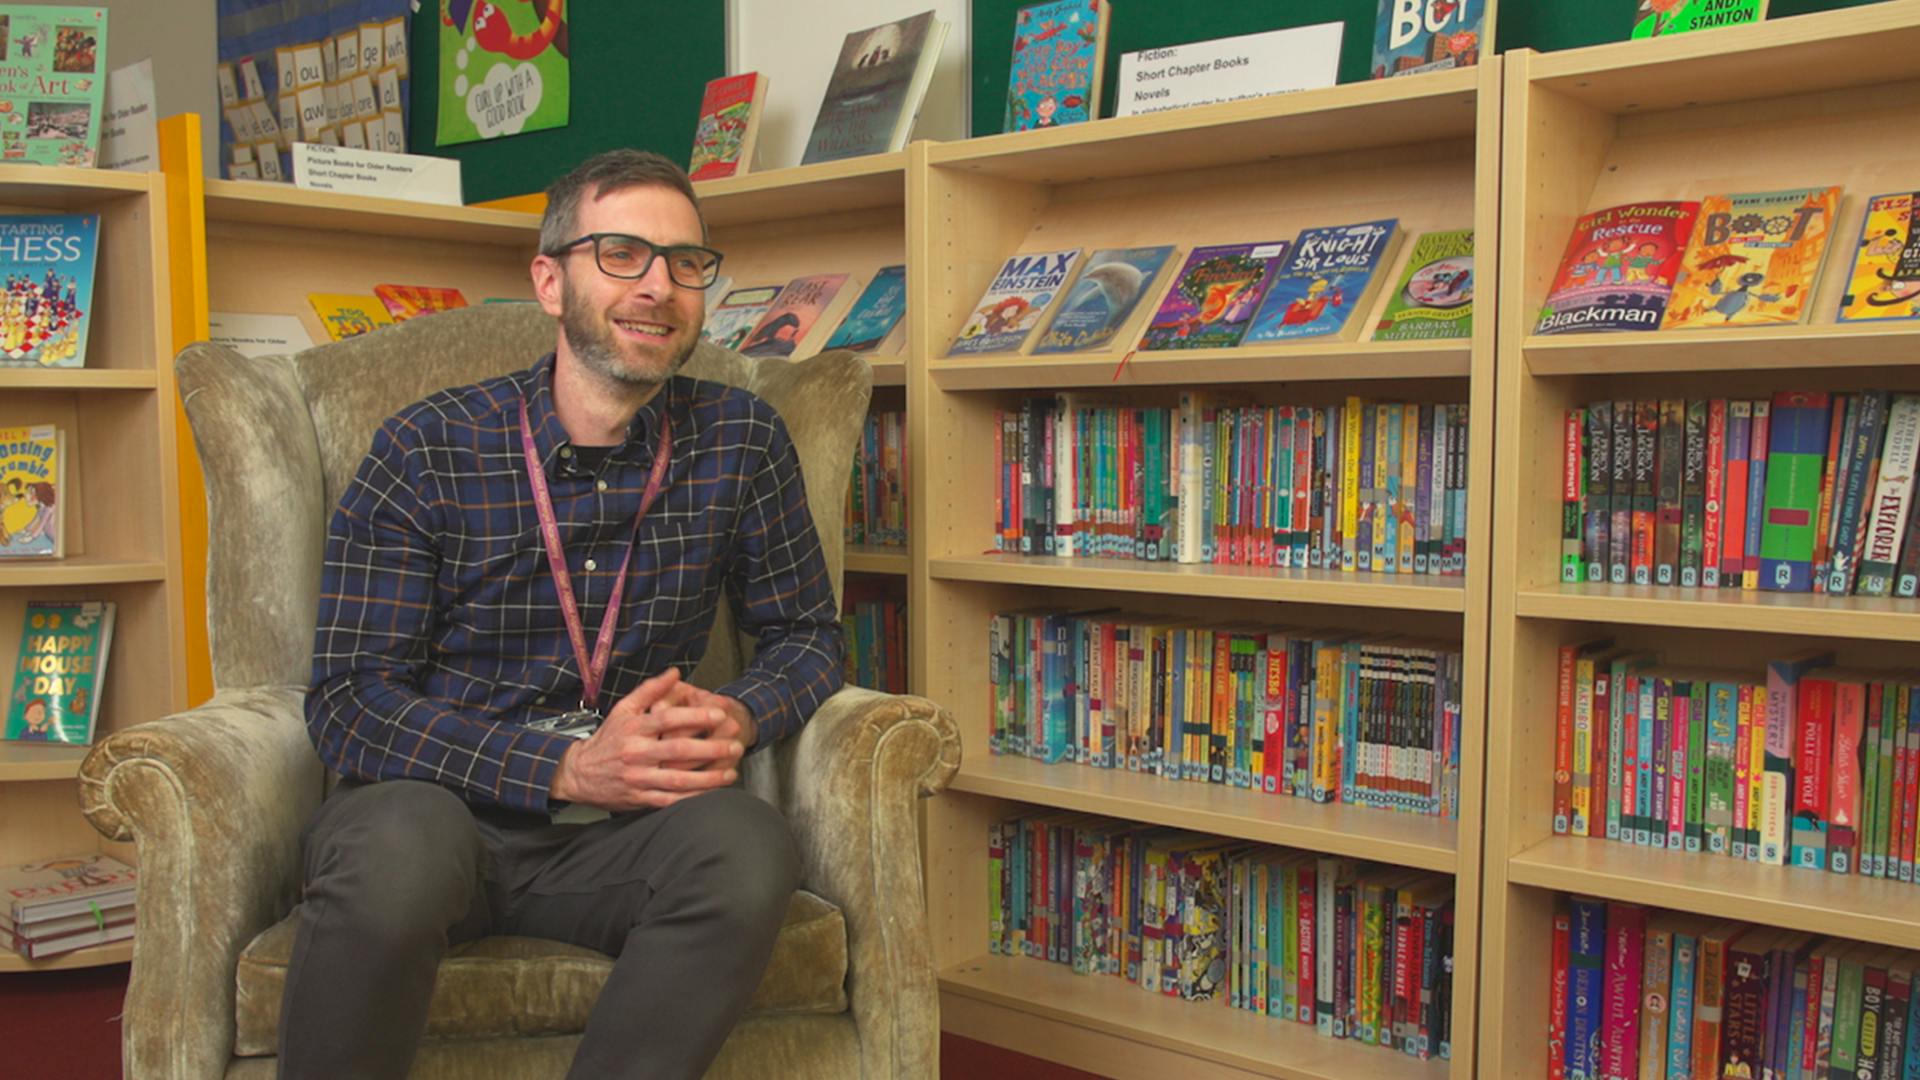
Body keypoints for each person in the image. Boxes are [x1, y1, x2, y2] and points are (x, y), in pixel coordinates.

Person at [281, 148, 845, 1080]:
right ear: (550, 280)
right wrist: (568, 765)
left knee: (746, 843)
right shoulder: (426, 447)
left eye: (686, 263)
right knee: (396, 852)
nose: (659, 286)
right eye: (622, 253)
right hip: (432, 819)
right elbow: (346, 701)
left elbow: (805, 634)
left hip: (617, 840)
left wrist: (741, 712)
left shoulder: (744, 440)